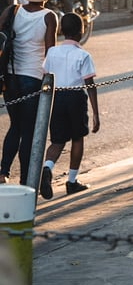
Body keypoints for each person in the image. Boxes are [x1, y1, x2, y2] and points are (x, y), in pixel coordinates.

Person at [0, 0, 59, 185]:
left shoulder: (12, 11)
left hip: (9, 76)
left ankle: (3, 171)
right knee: (29, 131)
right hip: (33, 77)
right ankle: (27, 180)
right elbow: (50, 52)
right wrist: (51, 79)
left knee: (15, 125)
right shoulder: (49, 16)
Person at [38, 12, 100, 199]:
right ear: (81, 32)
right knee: (78, 138)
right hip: (75, 98)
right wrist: (96, 114)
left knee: (57, 140)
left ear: (62, 31)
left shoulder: (52, 52)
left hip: (56, 98)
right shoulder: (83, 55)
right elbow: (90, 85)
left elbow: (45, 76)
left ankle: (47, 168)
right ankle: (71, 181)